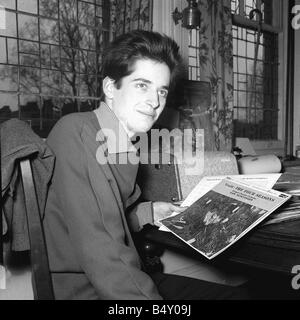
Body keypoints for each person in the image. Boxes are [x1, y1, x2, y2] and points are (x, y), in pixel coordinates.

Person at [43, 30, 249, 300]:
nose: (155, 102)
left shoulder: (120, 143)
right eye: (142, 85)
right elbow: (102, 251)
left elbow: (102, 217)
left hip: (116, 278)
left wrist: (148, 212)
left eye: (161, 90)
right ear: (110, 88)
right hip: (90, 290)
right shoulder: (77, 134)